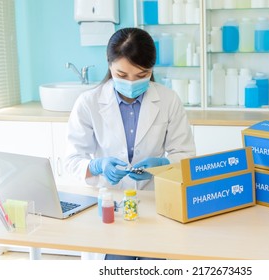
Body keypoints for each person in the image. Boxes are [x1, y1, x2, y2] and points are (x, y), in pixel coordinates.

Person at [64, 27, 196, 260]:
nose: (132, 83)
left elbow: (185, 154)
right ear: (109, 64)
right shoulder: (88, 103)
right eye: (122, 75)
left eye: (142, 74)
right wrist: (97, 166)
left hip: (154, 202)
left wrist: (164, 164)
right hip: (108, 204)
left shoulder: (168, 100)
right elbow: (71, 161)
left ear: (152, 70)